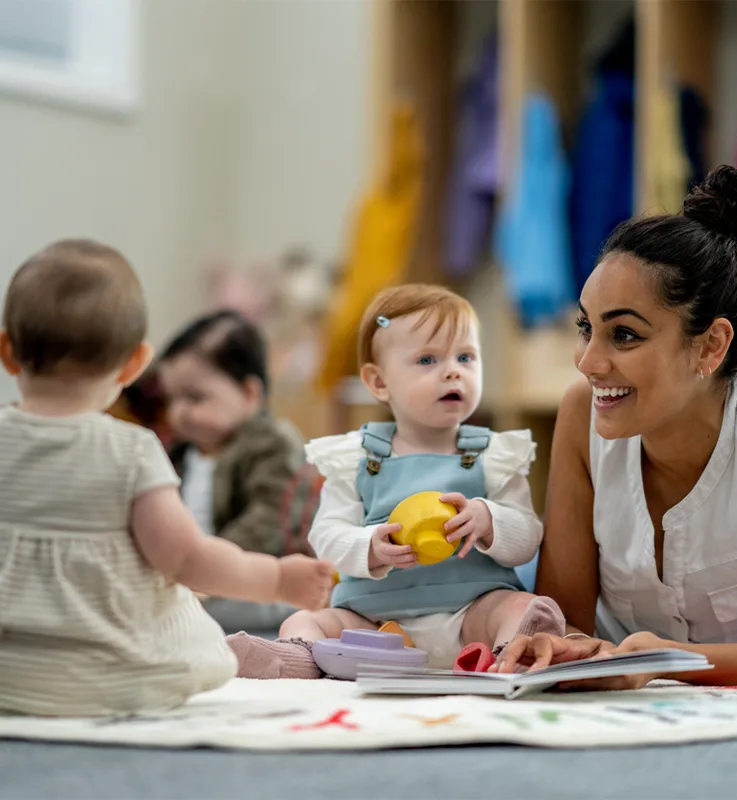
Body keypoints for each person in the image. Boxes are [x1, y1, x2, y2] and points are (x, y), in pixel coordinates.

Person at [495, 165, 737, 689]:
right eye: (587, 328)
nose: (589, 362)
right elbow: (570, 621)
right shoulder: (579, 415)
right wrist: (558, 646)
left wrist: (671, 662)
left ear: (710, 346)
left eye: (625, 335)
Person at [0, 239, 334, 716]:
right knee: (196, 640)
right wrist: (276, 578)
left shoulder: (266, 446)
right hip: (106, 677)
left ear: (7, 351)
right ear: (136, 363)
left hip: (8, 677)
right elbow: (186, 558)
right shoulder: (132, 450)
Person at [227, 283, 565, 679]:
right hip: (374, 625)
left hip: (470, 613)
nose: (453, 370)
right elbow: (327, 537)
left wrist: (488, 520)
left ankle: (510, 653)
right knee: (307, 620)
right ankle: (295, 657)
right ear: (379, 381)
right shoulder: (356, 457)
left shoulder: (494, 456)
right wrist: (370, 546)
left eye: (466, 356)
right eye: (427, 359)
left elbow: (527, 536)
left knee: (521, 606)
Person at [158, 311, 320, 630]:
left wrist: (206, 568)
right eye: (172, 398)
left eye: (195, 397)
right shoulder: (181, 452)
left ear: (249, 393)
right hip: (195, 579)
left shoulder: (272, 444)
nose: (178, 412)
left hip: (259, 579)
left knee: (257, 610)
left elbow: (267, 521)